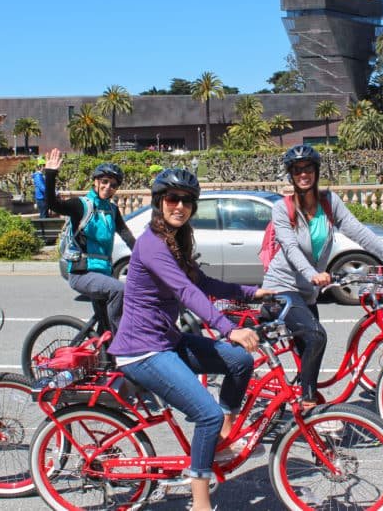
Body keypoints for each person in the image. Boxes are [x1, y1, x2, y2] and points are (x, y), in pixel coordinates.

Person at [108, 168, 271, 511]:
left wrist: (254, 292)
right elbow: (186, 291)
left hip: (167, 341)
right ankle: (200, 502)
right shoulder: (152, 245)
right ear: (159, 202)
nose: (179, 206)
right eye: (172, 199)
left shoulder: (178, 240)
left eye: (187, 201)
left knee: (240, 361)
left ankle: (221, 441)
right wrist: (230, 329)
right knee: (207, 415)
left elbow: (204, 282)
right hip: (142, 351)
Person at [263, 144, 383, 411]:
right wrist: (313, 275)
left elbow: (359, 232)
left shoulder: (329, 203)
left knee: (310, 349)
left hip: (308, 292)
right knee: (316, 336)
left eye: (308, 169)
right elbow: (289, 248)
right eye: (297, 170)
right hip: (282, 287)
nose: (303, 175)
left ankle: (300, 394)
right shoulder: (282, 208)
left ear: (316, 171)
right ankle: (309, 405)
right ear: (290, 175)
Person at [44, 149, 135, 333]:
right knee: (119, 290)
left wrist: (148, 256)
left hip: (103, 274)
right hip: (82, 273)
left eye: (113, 184)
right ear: (95, 182)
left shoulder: (112, 210)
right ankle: (121, 343)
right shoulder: (82, 205)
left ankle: (106, 358)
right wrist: (51, 174)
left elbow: (127, 235)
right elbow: (54, 204)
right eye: (104, 181)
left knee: (107, 324)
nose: (108, 187)